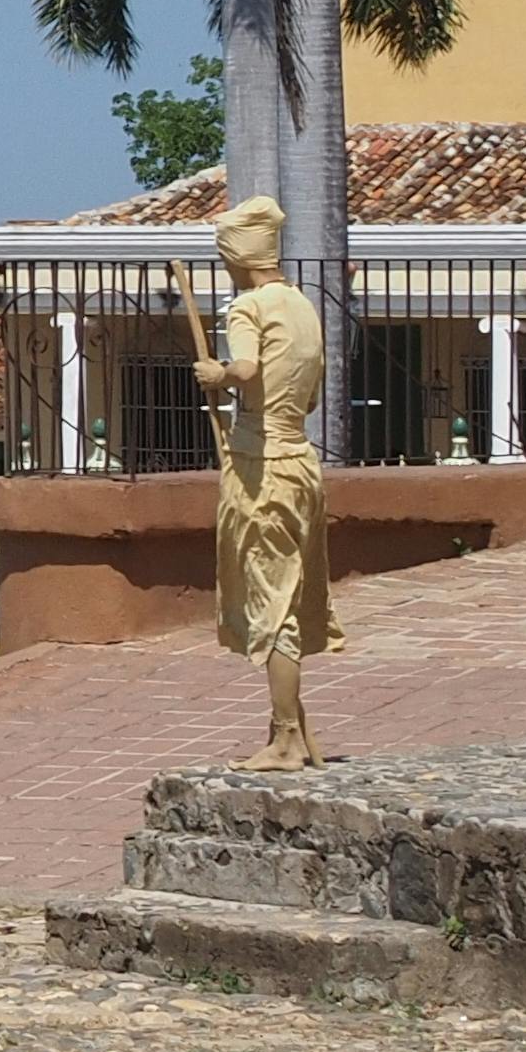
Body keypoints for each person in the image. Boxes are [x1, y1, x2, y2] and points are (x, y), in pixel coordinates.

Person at [196, 195, 340, 770]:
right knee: (291, 591)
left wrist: (219, 374)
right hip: (301, 460)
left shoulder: (248, 307)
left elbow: (249, 370)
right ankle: (298, 732)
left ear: (238, 256)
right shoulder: (302, 306)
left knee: (272, 601)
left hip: (263, 468)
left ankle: (284, 738)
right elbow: (311, 392)